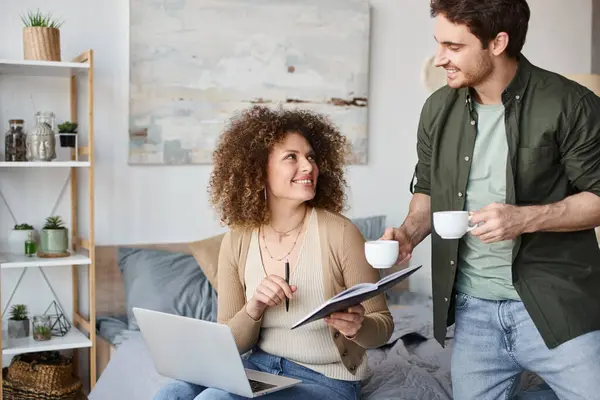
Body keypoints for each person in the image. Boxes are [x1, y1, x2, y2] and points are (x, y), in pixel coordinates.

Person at [381, 0, 600, 399]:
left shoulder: (570, 104)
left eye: (454, 46)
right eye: (439, 43)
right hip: (472, 312)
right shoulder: (437, 109)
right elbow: (427, 189)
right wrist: (409, 234)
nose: (439, 58)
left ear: (497, 42)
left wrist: (525, 219)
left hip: (555, 305)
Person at [154, 105, 393, 400]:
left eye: (311, 157)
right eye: (291, 157)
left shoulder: (341, 233)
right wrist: (253, 308)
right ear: (258, 169)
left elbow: (382, 324)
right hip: (258, 367)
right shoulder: (237, 241)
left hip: (326, 380)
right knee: (172, 392)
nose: (308, 167)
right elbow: (230, 343)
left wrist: (358, 327)